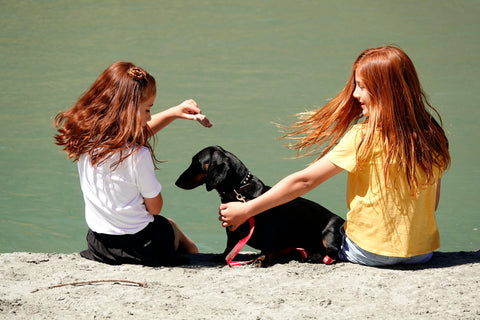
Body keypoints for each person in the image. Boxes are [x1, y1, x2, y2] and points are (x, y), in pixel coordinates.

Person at [219, 45, 450, 267]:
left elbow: (305, 181)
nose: (355, 94)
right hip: (421, 253)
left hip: (369, 253)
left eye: (362, 87)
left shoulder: (365, 136)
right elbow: (434, 204)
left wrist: (246, 210)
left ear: (385, 91)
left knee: (318, 220)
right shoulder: (432, 136)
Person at [54, 61, 202, 266]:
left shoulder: (85, 140)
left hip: (100, 245)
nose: (149, 117)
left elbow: (132, 135)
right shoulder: (138, 155)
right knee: (174, 231)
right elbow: (155, 208)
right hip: (141, 247)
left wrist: (174, 112)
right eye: (148, 110)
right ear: (127, 111)